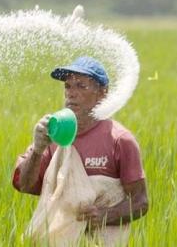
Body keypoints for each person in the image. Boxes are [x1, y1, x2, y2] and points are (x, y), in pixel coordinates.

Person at [12, 57, 148, 231]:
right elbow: (25, 185)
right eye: (68, 86)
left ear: (102, 94)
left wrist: (105, 215)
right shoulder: (52, 135)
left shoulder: (120, 140)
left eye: (81, 86)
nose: (71, 93)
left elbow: (140, 202)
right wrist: (37, 150)